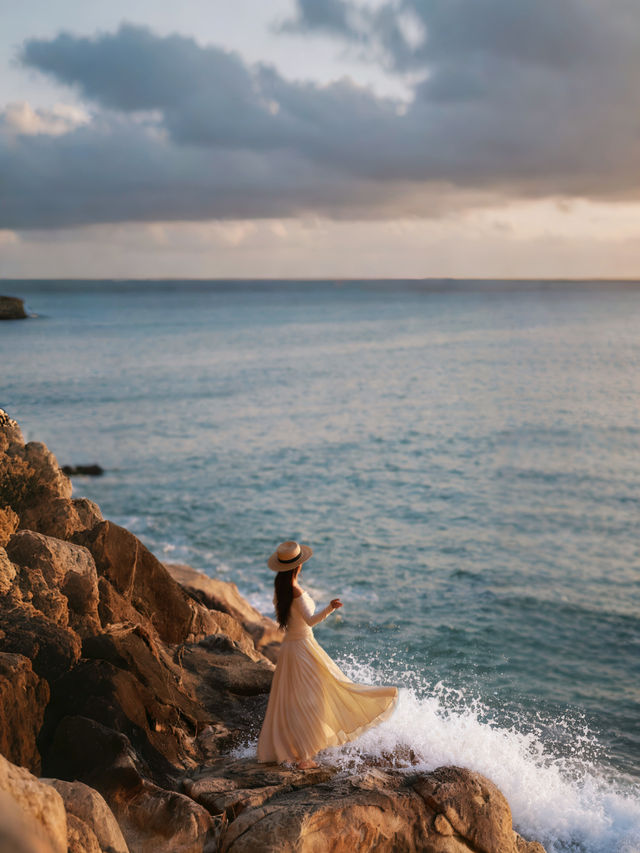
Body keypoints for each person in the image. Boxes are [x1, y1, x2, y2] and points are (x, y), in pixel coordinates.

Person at [257, 539, 399, 768]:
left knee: (294, 700)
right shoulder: (295, 591)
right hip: (303, 648)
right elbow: (310, 621)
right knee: (317, 697)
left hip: (289, 649)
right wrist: (330, 608)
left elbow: (290, 619)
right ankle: (303, 756)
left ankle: (296, 750)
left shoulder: (280, 588)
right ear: (298, 566)